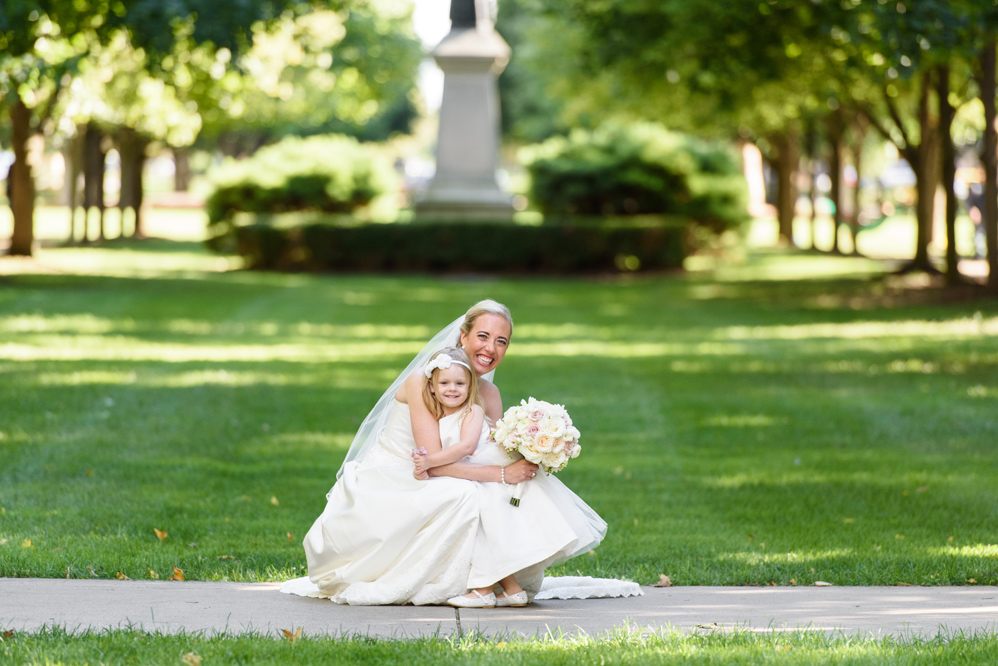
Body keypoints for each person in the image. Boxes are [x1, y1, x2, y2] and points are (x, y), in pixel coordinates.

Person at [289, 301, 537, 605]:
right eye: (483, 336)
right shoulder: (422, 380)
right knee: (467, 494)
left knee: (506, 490)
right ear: (463, 337)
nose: (491, 348)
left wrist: (529, 448)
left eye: (502, 341)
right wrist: (501, 474)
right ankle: (484, 582)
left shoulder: (490, 394)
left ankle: (497, 581)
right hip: (402, 474)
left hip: (450, 468)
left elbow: (489, 450)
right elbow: (431, 462)